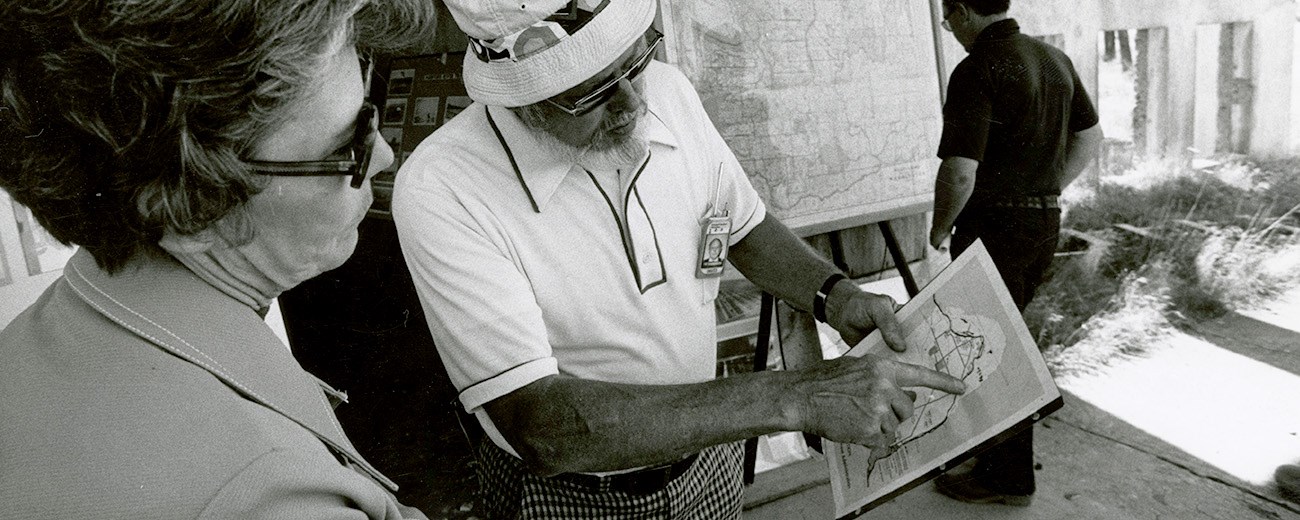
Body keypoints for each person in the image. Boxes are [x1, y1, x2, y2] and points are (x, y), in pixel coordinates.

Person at [392, 0, 968, 517]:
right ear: (523, 98)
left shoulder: (666, 90)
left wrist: (833, 295)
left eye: (631, 63)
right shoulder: (443, 187)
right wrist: (800, 395)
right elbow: (544, 428)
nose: (630, 103)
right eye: (591, 90)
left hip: (708, 461)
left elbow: (744, 225)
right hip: (572, 496)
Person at [0, 1, 437, 517]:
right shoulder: (274, 497)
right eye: (353, 143)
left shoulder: (34, 341)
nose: (385, 155)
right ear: (194, 211)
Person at [928, 0, 1103, 507]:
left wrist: (939, 230)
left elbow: (960, 171)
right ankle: (997, 456)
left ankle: (1007, 477)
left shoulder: (976, 68)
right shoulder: (1054, 59)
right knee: (1009, 335)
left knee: (994, 347)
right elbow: (1090, 138)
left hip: (992, 225)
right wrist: (1047, 191)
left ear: (963, 11)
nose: (946, 26)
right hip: (1042, 222)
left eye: (948, 15)